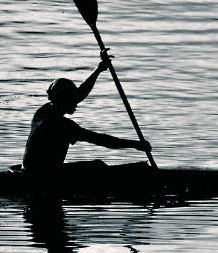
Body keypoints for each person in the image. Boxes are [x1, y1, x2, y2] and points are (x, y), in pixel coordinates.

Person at [22, 54, 151, 172]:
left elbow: (79, 95)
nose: (77, 102)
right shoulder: (62, 125)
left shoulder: (42, 111)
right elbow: (100, 140)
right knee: (97, 166)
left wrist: (99, 70)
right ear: (64, 100)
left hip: (31, 169)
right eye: (72, 99)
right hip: (43, 176)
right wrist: (135, 145)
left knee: (96, 165)